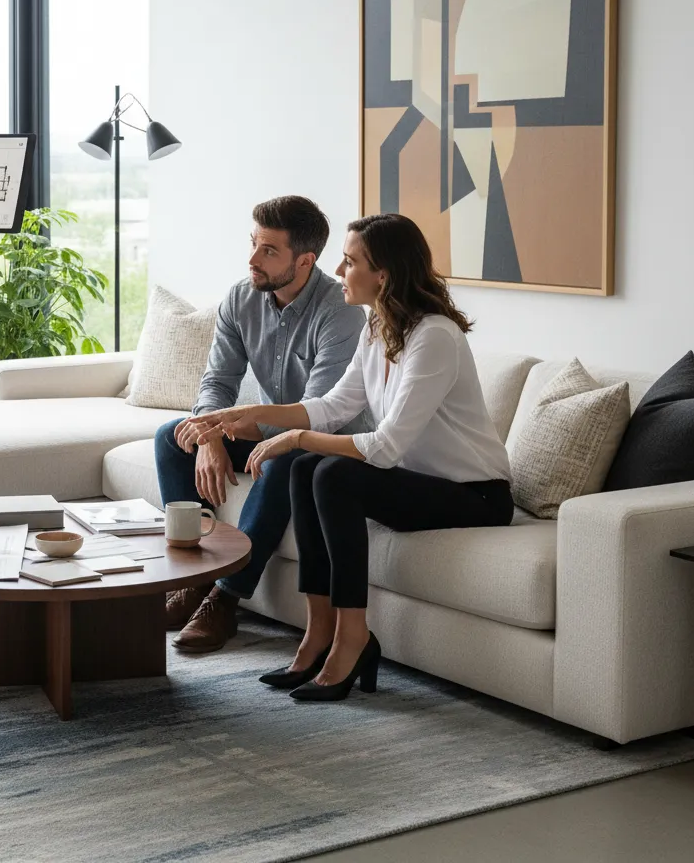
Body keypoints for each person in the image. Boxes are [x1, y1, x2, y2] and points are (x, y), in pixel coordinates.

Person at [193, 213, 513, 701]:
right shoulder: (379, 327)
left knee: (333, 474)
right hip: (418, 483)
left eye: (350, 261)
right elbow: (335, 406)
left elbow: (384, 447)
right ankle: (319, 631)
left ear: (382, 273)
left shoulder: (435, 337)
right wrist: (250, 413)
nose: (339, 272)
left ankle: (354, 637)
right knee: (306, 468)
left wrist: (294, 437)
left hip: (476, 496)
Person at [156, 195, 368, 653]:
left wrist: (224, 429)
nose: (253, 259)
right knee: (173, 439)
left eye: (269, 250)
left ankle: (224, 598)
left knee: (284, 462)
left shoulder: (342, 311)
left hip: (322, 439)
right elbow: (217, 380)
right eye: (253, 243)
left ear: (305, 260)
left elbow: (319, 411)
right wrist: (208, 434)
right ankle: (190, 580)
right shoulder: (240, 297)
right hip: (269, 426)